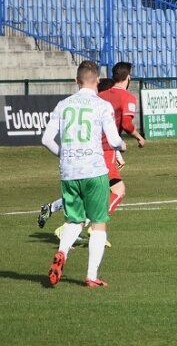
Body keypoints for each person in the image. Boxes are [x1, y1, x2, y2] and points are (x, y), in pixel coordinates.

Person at [38, 62, 145, 244]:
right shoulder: (125, 97)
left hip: (97, 151)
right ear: (128, 77)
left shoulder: (100, 96)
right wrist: (137, 138)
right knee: (116, 191)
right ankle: (91, 228)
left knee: (87, 191)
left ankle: (52, 208)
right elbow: (124, 125)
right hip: (102, 152)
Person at [41, 60, 126, 287]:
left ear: (76, 81)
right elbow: (114, 138)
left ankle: (62, 252)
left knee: (74, 220)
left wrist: (64, 154)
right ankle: (91, 276)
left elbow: (46, 140)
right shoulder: (102, 105)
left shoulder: (63, 105)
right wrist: (122, 147)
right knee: (98, 222)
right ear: (97, 80)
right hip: (95, 170)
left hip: (69, 172)